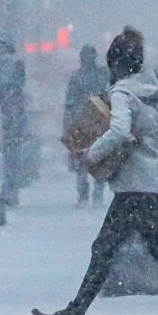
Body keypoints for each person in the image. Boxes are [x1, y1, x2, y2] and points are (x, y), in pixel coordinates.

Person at [33, 27, 158, 315]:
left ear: (116, 65)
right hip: (152, 183)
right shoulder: (151, 92)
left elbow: (117, 131)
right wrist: (147, 145)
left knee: (105, 249)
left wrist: (92, 155)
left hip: (132, 188)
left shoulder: (122, 94)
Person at [62, 44, 110, 208]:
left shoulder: (97, 76)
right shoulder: (88, 77)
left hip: (93, 124)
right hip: (87, 125)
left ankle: (92, 194)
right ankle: (87, 195)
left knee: (90, 161)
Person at [0, 38, 29, 204]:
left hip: (4, 118)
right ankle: (11, 192)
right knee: (12, 157)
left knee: (5, 157)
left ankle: (6, 191)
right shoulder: (16, 64)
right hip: (12, 119)